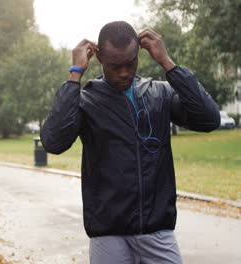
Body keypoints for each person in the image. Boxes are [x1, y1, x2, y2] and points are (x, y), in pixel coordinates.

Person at [40, 21, 220, 263]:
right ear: (100, 57)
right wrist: (75, 74)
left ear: (138, 54)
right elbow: (53, 142)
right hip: (109, 235)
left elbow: (209, 119)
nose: (124, 72)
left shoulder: (160, 94)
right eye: (115, 66)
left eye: (130, 63)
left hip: (158, 232)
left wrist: (167, 62)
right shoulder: (86, 102)